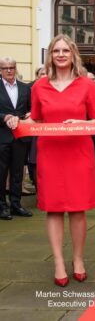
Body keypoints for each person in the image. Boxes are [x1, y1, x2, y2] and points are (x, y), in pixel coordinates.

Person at [11, 34, 95, 286]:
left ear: (73, 55)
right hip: (50, 153)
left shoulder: (86, 85)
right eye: (56, 51)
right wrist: (16, 121)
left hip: (79, 153)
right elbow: (36, 120)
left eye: (65, 50)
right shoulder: (39, 86)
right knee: (53, 208)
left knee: (77, 209)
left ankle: (78, 258)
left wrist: (82, 123)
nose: (61, 55)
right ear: (50, 55)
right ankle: (58, 262)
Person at [0, 56, 33, 219]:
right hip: (2, 137)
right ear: (0, 70)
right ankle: (1, 206)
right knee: (1, 173)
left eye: (11, 67)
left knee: (18, 173)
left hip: (20, 137)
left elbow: (31, 107)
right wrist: (4, 117)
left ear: (15, 68)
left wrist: (31, 113)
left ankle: (16, 204)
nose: (9, 70)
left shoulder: (25, 88)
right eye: (5, 68)